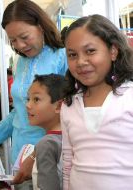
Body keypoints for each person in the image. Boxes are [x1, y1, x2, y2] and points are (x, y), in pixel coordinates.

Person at [0, 0, 67, 188]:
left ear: (40, 26)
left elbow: (71, 113)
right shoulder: (20, 62)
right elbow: (18, 113)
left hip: (51, 154)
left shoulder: (63, 56)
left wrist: (37, 153)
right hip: (19, 153)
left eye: (24, 36)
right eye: (12, 40)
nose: (20, 45)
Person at [61, 14, 133, 190]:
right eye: (72, 54)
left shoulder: (129, 96)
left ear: (113, 51)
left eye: (90, 51)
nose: (81, 62)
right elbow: (68, 161)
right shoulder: (69, 105)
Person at [26, 74, 66, 190]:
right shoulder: (70, 135)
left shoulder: (46, 144)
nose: (28, 105)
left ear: (59, 106)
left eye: (36, 99)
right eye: (28, 99)